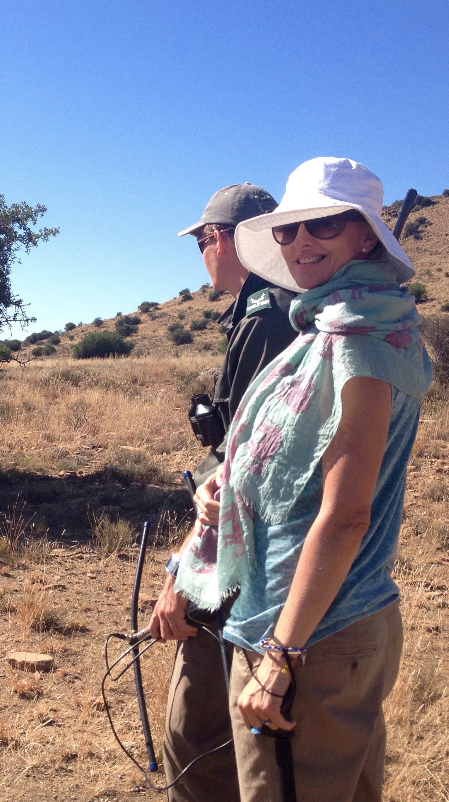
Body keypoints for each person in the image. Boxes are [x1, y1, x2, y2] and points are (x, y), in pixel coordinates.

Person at [175, 157, 432, 802]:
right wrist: (227, 486)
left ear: (366, 234)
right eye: (288, 230)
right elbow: (285, 466)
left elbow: (346, 515)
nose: (301, 242)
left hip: (311, 630)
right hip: (309, 619)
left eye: (322, 224)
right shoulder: (332, 325)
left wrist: (281, 657)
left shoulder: (358, 340)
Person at [150, 184, 298, 802]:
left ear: (227, 238)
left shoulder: (266, 314)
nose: (203, 254)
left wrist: (180, 576)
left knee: (195, 732)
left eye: (204, 240)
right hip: (270, 545)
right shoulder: (269, 308)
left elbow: (242, 469)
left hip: (245, 551)